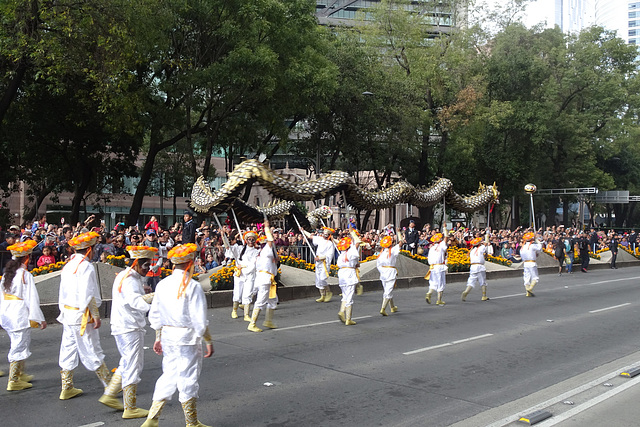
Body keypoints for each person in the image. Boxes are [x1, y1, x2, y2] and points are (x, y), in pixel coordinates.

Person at [142, 243, 214, 427]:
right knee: (188, 377)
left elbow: (155, 314)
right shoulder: (193, 286)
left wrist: (158, 337)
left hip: (168, 336)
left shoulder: (163, 284)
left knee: (169, 374)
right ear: (190, 263)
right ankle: (191, 422)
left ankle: (152, 418)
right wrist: (208, 340)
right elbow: (200, 319)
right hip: (187, 339)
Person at [99, 245, 156, 418]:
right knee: (133, 365)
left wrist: (144, 292)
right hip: (129, 327)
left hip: (123, 325)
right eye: (145, 266)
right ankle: (130, 407)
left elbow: (131, 297)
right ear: (136, 263)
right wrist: (157, 296)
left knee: (127, 362)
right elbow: (136, 302)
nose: (148, 269)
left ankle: (110, 393)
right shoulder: (130, 278)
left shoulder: (127, 275)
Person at [57, 231, 111, 400]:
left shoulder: (68, 266)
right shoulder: (86, 266)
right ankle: (110, 387)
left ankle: (67, 387)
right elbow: (88, 294)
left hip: (68, 312)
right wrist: (95, 315)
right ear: (89, 250)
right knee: (92, 348)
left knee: (68, 348)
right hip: (82, 315)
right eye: (93, 249)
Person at [0, 239, 47, 391]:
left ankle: (20, 373)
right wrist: (39, 318)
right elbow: (32, 299)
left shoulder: (7, 274)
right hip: (19, 314)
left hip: (8, 313)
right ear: (26, 258)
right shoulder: (24, 275)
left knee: (20, 342)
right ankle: (13, 380)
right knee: (19, 344)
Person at [247, 221, 280, 332]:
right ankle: (252, 323)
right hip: (265, 279)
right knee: (261, 301)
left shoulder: (265, 253)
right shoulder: (266, 250)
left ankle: (268, 321)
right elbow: (270, 241)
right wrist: (267, 228)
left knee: (273, 300)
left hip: (268, 279)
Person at [227, 231, 259, 321]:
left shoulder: (256, 252)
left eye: (253, 239)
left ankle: (246, 315)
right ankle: (234, 310)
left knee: (248, 293)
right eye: (249, 239)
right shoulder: (240, 248)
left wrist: (244, 267)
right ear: (246, 240)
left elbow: (253, 264)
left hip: (249, 275)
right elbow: (230, 250)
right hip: (239, 274)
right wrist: (224, 238)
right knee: (237, 292)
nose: (251, 241)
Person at [300, 226, 335, 303]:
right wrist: (303, 231)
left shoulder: (330, 244)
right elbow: (311, 236)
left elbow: (329, 255)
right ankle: (322, 295)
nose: (324, 235)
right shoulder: (320, 239)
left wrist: (321, 258)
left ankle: (328, 291)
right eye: (324, 233)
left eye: (326, 234)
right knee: (318, 279)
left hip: (324, 263)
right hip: (318, 262)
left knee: (322, 278)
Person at [376, 233, 405, 316]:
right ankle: (383, 308)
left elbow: (378, 265)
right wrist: (399, 233)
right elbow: (401, 243)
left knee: (387, 289)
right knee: (388, 290)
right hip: (390, 272)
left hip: (383, 273)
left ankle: (392, 307)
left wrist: (382, 271)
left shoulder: (381, 253)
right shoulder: (392, 250)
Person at [336, 230, 361, 326]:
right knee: (349, 296)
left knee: (345, 295)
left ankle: (342, 311)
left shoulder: (341, 255)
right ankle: (348, 319)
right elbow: (358, 242)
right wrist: (353, 233)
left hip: (342, 274)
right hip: (349, 274)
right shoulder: (351, 252)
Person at [461, 233, 492, 302]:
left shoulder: (472, 250)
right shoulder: (481, 248)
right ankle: (484, 296)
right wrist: (487, 236)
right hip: (480, 266)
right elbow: (486, 244)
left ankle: (466, 291)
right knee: (483, 281)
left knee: (471, 280)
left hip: (473, 266)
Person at [425, 230, 449, 305]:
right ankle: (439, 300)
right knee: (441, 283)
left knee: (433, 282)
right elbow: (446, 237)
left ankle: (429, 293)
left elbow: (429, 259)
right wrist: (445, 228)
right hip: (440, 266)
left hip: (433, 267)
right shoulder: (441, 245)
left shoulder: (431, 248)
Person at [520, 231, 542, 297]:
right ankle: (530, 289)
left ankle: (528, 292)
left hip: (525, 263)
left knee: (526, 277)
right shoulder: (532, 246)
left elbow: (522, 256)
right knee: (535, 277)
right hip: (532, 263)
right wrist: (536, 240)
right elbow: (540, 247)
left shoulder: (522, 247)